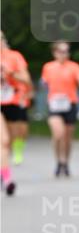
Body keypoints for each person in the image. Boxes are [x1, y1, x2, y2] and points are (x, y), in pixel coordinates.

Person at [41, 40, 79, 177]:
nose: (64, 54)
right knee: (58, 134)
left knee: (67, 137)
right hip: (54, 104)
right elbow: (44, 84)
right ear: (54, 53)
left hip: (70, 104)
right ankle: (58, 160)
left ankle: (65, 162)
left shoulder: (74, 67)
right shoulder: (48, 67)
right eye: (61, 51)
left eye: (66, 51)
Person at [1, 32, 32, 191]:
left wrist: (10, 74)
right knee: (3, 140)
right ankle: (6, 178)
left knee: (13, 136)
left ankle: (5, 174)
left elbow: (26, 80)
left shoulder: (14, 57)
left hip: (13, 99)